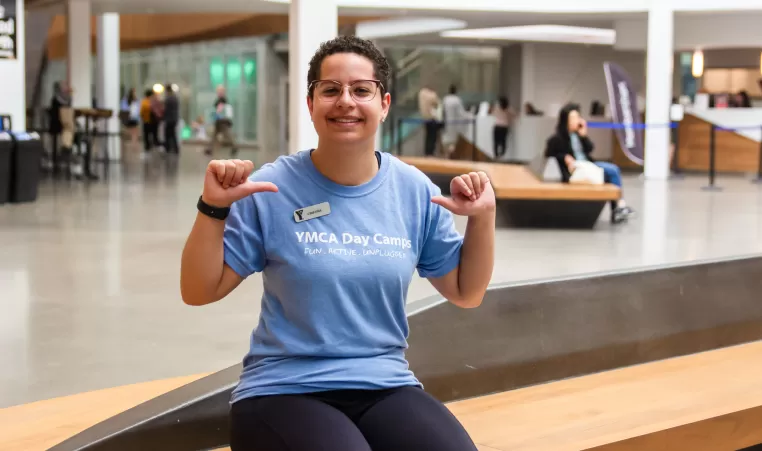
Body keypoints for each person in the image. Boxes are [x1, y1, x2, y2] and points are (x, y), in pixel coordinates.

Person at [180, 35, 496, 451]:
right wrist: (213, 209)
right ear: (311, 103)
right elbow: (199, 291)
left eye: (361, 90)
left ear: (383, 104)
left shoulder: (413, 191)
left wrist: (483, 217)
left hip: (384, 383)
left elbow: (466, 292)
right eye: (331, 90)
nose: (346, 101)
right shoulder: (272, 187)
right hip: (284, 388)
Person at [544, 103, 635, 224]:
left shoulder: (579, 135)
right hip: (576, 170)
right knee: (611, 171)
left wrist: (584, 136)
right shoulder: (557, 139)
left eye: (578, 117)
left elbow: (590, 149)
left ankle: (618, 207)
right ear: (566, 120)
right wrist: (564, 156)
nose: (577, 120)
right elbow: (549, 154)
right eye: (573, 118)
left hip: (588, 165)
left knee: (613, 170)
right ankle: (619, 207)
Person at [417, 84, 440, 156]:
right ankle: (431, 152)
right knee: (432, 136)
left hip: (425, 118)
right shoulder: (432, 95)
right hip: (432, 118)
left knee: (428, 136)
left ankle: (427, 152)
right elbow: (437, 103)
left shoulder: (421, 93)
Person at [163, 83, 180, 154]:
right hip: (174, 119)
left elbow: (165, 109)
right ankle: (175, 148)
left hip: (169, 119)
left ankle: (168, 148)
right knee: (173, 134)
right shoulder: (175, 97)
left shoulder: (168, 98)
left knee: (168, 134)